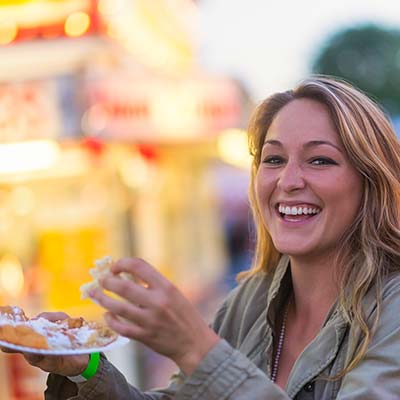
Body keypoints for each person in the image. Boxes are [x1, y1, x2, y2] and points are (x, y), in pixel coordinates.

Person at [4, 75, 400, 399]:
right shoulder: (250, 300)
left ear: (371, 182)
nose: (288, 181)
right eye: (273, 159)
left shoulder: (392, 310)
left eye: (319, 160)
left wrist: (195, 347)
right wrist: (85, 368)